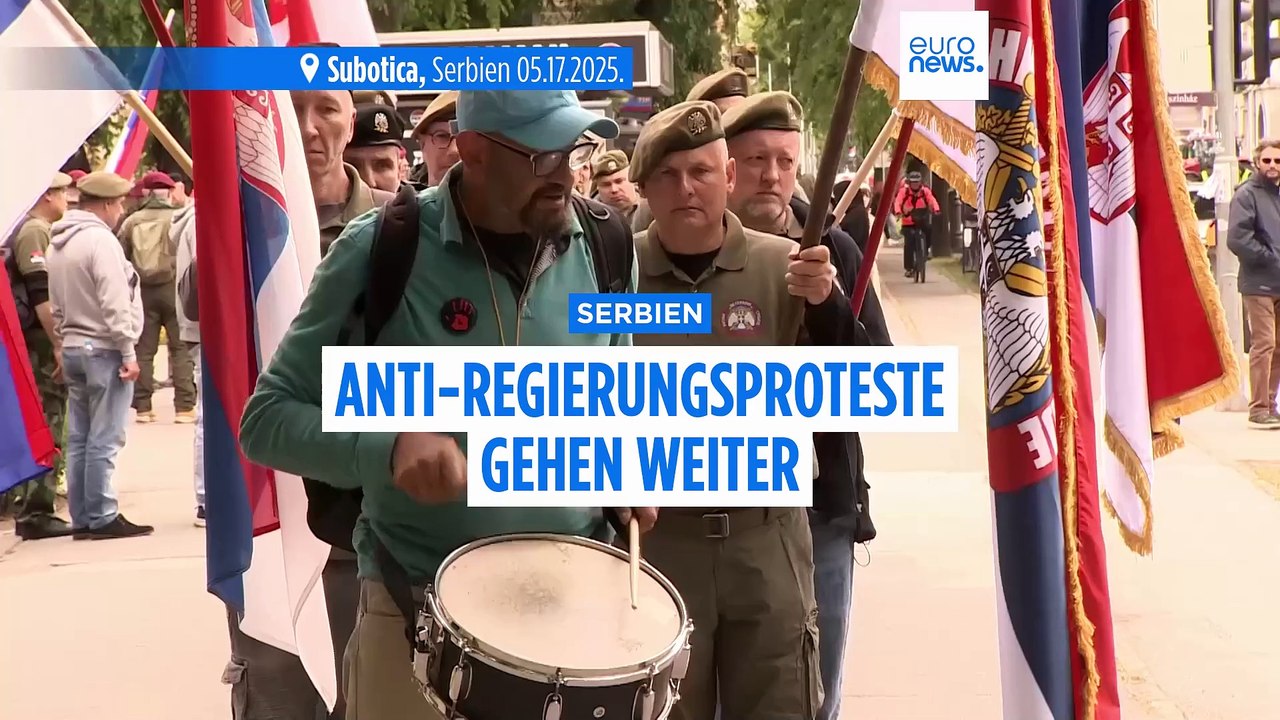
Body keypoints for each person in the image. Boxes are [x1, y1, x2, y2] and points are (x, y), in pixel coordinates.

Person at [240, 89, 657, 720]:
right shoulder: (383, 246)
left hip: (576, 607)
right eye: (540, 156)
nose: (564, 174)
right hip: (415, 606)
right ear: (474, 152)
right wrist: (388, 446)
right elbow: (267, 419)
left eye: (570, 151)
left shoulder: (605, 242)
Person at [628, 99, 864, 720]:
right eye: (668, 175)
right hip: (658, 544)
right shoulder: (611, 273)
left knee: (781, 703)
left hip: (766, 541)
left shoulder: (784, 267)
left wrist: (829, 308)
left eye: (702, 172)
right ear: (644, 188)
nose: (687, 189)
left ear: (727, 176)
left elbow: (861, 384)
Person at [723, 91, 892, 720]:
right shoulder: (684, 250)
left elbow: (880, 378)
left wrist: (827, 305)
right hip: (716, 514)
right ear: (727, 165)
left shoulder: (835, 250)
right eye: (757, 159)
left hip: (821, 511)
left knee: (814, 692)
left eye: (786, 162)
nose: (772, 175)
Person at [46, 171, 152, 539]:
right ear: (106, 204)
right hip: (104, 348)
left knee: (79, 437)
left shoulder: (57, 243)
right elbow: (114, 301)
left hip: (75, 346)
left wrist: (62, 342)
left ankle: (83, 516)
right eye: (120, 203)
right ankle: (104, 513)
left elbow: (56, 305)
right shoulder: (100, 243)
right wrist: (128, 351)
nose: (121, 209)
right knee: (105, 437)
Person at [4, 172, 74, 540]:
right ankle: (36, 508)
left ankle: (30, 501)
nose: (67, 198)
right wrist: (58, 343)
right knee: (49, 416)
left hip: (33, 339)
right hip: (39, 342)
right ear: (47, 195)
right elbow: (40, 293)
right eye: (63, 192)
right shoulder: (34, 231)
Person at [116, 170, 195, 424]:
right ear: (169, 192)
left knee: (144, 348)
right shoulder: (178, 218)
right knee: (180, 347)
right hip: (173, 289)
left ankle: (143, 407)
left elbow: (121, 257)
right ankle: (184, 407)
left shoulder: (132, 221)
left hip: (144, 292)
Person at [292, 88, 395, 255]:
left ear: (351, 125)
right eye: (294, 108)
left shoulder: (395, 218)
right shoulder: (249, 216)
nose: (308, 129)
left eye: (327, 110)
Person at [1228, 138, 1280, 428]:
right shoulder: (1247, 194)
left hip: (1278, 281)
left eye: (1277, 161)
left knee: (1278, 347)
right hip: (1258, 282)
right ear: (1257, 163)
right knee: (1264, 343)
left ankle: (1270, 406)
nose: (1272, 166)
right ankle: (1258, 407)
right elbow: (1237, 238)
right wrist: (1269, 258)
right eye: (1267, 161)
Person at [172, 200, 203, 525]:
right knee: (212, 416)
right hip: (208, 331)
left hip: (198, 328)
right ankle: (208, 497)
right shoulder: (201, 220)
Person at [344, 104, 405, 193]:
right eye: (353, 167)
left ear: (399, 171)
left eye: (382, 166)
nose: (369, 182)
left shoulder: (422, 206)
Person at [893, 171, 940, 276]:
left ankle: (926, 250)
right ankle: (909, 268)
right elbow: (898, 202)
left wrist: (936, 209)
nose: (915, 185)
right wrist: (898, 212)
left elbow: (932, 200)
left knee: (929, 230)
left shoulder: (925, 191)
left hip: (922, 219)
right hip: (908, 221)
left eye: (917, 182)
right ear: (909, 183)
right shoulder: (904, 192)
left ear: (920, 182)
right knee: (909, 243)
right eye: (913, 182)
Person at [409, 91, 459, 187]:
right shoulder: (405, 200)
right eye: (442, 136)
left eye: (464, 137)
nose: (455, 150)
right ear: (422, 144)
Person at [591, 149, 639, 220]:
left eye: (619, 181)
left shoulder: (650, 206)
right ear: (598, 187)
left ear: (632, 179)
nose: (614, 189)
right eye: (606, 184)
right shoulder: (589, 216)